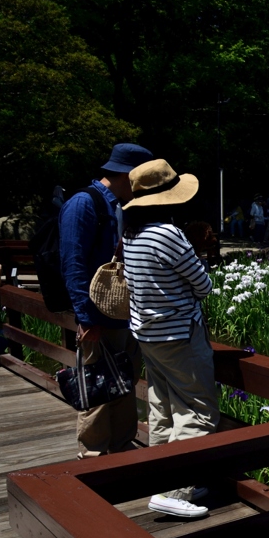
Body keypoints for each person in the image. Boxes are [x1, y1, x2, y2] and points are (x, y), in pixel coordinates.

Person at [122, 159, 216, 518]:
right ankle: (174, 489)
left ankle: (160, 479)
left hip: (147, 334)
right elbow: (203, 286)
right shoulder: (168, 234)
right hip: (179, 335)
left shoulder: (130, 234)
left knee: (162, 406)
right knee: (198, 412)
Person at [59, 143, 151, 459]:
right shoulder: (84, 204)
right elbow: (73, 264)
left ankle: (122, 449)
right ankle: (93, 457)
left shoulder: (122, 206)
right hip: (97, 318)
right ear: (128, 174)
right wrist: (86, 319)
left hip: (124, 315)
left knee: (125, 384)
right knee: (97, 390)